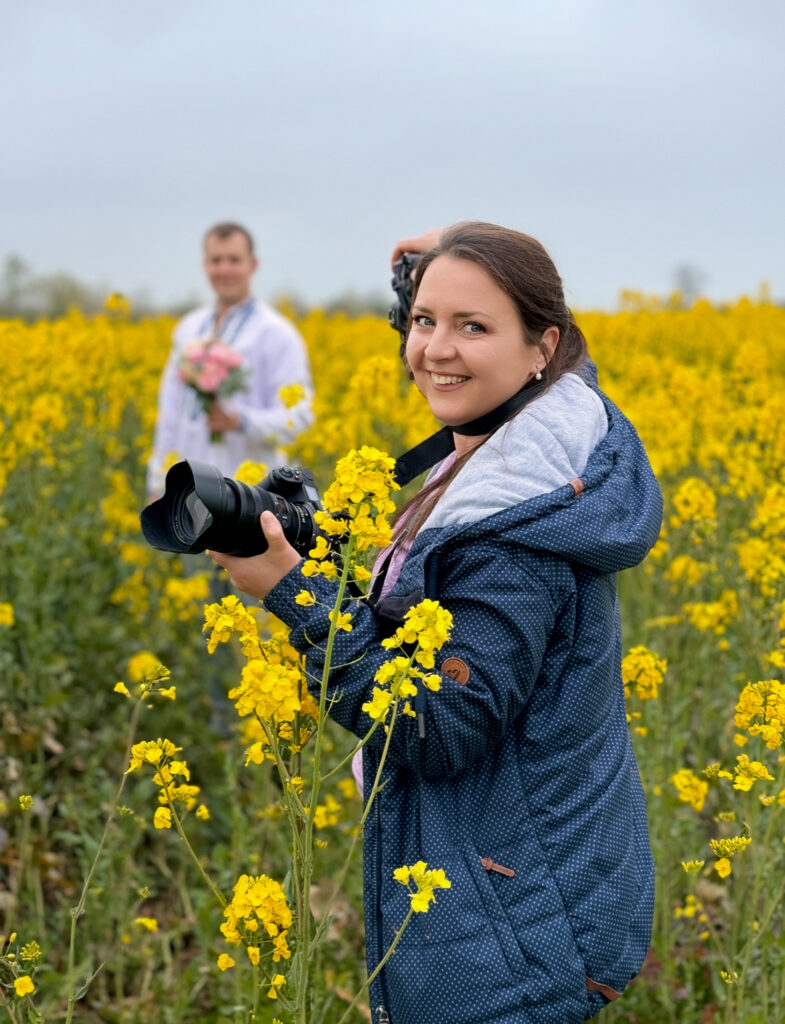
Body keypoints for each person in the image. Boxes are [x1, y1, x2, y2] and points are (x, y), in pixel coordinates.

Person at [209, 221, 662, 1024]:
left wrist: (293, 595)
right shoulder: (541, 445)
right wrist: (451, 258)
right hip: (516, 879)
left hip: (514, 923)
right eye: (423, 321)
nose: (434, 349)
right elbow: (501, 344)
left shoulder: (513, 534)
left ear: (540, 349)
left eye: (471, 326)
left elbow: (436, 728)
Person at [146, 222, 313, 498]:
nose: (224, 269)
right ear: (205, 265)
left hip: (253, 495)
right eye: (216, 260)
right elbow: (170, 416)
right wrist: (157, 484)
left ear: (253, 264)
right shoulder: (188, 328)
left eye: (234, 260)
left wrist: (241, 421)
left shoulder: (276, 333)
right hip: (189, 493)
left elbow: (299, 419)